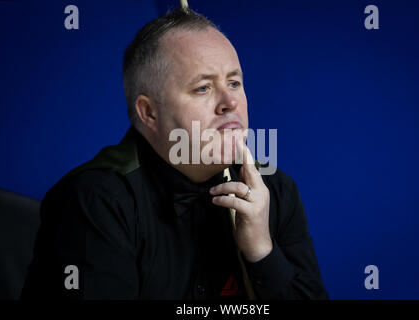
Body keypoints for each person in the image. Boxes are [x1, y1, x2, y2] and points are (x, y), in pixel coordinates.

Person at [21, 7, 328, 300]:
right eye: (203, 88)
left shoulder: (276, 189)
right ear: (149, 112)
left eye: (234, 82)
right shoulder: (95, 201)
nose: (229, 103)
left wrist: (262, 250)